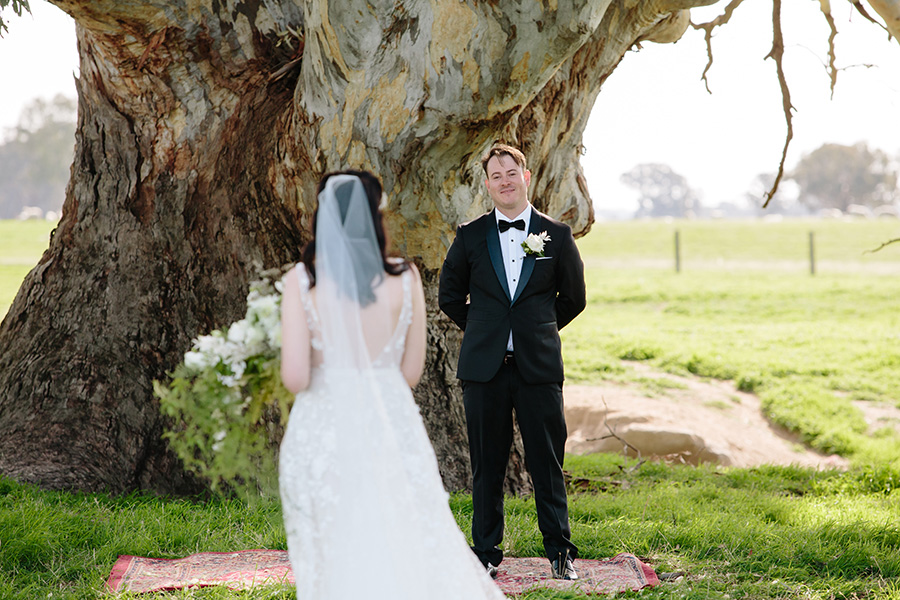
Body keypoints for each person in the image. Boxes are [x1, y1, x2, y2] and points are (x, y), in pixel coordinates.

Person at [278, 170, 506, 599]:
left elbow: (296, 377)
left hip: (325, 422)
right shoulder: (406, 276)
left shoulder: (302, 280)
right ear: (375, 214)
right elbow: (410, 372)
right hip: (390, 418)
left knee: (337, 533)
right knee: (398, 524)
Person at [438, 144, 586, 580]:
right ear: (487, 185)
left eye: (511, 172)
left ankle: (560, 554)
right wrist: (485, 328)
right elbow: (449, 296)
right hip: (484, 370)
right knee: (486, 466)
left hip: (538, 367)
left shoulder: (557, 235)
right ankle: (485, 554)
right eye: (496, 175)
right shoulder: (470, 235)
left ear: (526, 176)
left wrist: (536, 327)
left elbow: (574, 298)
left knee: (547, 464)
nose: (504, 181)